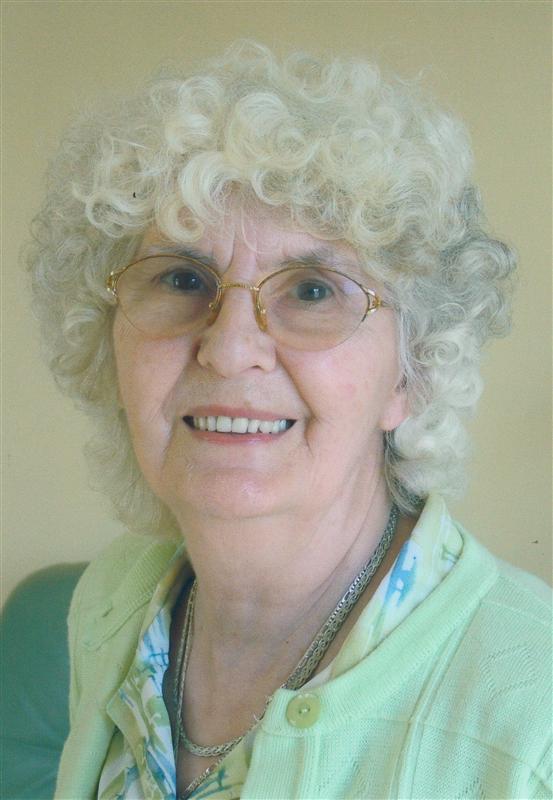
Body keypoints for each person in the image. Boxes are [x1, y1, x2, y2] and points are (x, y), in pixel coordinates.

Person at [27, 41, 551, 800]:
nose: (229, 348)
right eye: (182, 279)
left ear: (412, 371)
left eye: (311, 290)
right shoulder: (116, 597)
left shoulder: (534, 721)